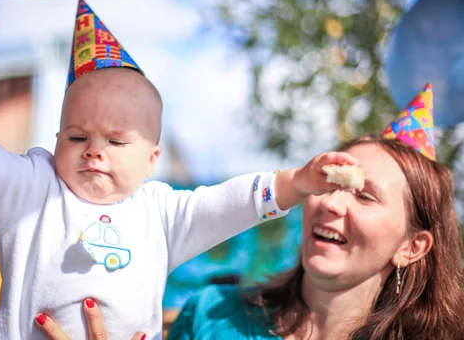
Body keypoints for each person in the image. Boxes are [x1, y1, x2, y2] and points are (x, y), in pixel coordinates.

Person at [0, 0, 360, 340]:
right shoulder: (32, 190)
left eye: (116, 140)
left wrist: (296, 182)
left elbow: (226, 204)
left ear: (152, 160)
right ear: (55, 141)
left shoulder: (161, 214)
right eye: (76, 137)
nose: (93, 150)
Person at [164, 83, 464, 340]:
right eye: (331, 183)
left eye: (365, 196)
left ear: (411, 247)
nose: (331, 203)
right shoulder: (211, 315)